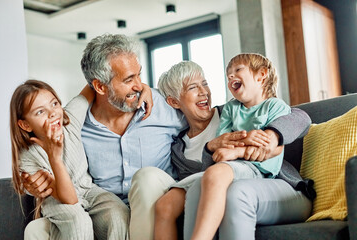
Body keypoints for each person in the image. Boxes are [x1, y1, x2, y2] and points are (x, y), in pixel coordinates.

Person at [23, 34, 311, 240]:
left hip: (156, 191)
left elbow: (284, 115)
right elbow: (51, 154)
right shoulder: (75, 123)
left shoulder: (172, 108)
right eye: (129, 80)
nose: (138, 85)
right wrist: (36, 181)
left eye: (139, 75)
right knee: (36, 230)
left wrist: (272, 135)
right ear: (99, 86)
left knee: (146, 177)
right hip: (109, 208)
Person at [155, 60, 313, 240]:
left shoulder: (233, 111)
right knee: (191, 191)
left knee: (227, 189)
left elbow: (299, 116)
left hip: (268, 179)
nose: (204, 92)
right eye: (193, 87)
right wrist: (210, 147)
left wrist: (272, 135)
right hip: (219, 183)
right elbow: (200, 184)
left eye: (205, 84)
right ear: (174, 102)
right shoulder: (178, 148)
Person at [10, 80, 145, 239]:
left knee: (118, 213)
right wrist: (55, 158)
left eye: (54, 103)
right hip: (59, 203)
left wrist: (145, 89)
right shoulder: (27, 158)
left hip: (89, 190)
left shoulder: (70, 120)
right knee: (79, 221)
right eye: (40, 112)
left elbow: (95, 83)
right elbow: (70, 199)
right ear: (25, 125)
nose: (52, 113)